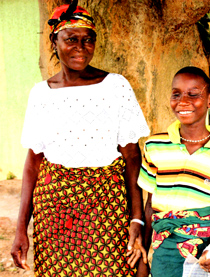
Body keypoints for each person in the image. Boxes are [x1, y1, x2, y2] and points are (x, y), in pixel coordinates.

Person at [11, 1, 149, 276]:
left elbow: (132, 156)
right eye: (71, 39)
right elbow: (33, 162)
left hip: (107, 204)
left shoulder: (115, 86)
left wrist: (137, 218)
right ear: (55, 40)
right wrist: (20, 229)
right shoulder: (41, 94)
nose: (81, 48)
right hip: (54, 208)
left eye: (88, 40)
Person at [137, 66, 210, 277]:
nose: (183, 101)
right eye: (176, 94)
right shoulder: (155, 145)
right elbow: (150, 205)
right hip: (164, 249)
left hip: (205, 251)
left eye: (193, 94)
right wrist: (143, 257)